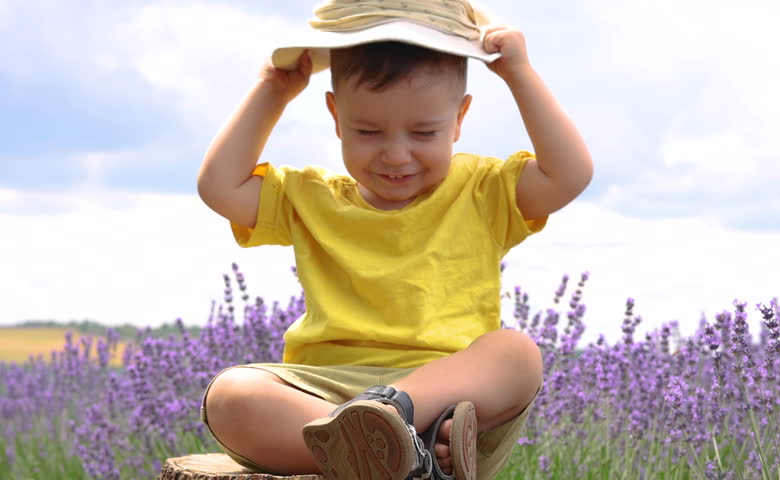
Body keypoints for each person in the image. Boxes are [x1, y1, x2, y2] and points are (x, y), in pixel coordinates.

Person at [197, 1, 593, 479]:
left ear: (460, 119)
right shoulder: (310, 197)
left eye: (425, 132)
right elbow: (219, 186)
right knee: (230, 395)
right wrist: (273, 89)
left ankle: (397, 429)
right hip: (326, 390)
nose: (396, 154)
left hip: (448, 389)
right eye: (368, 131)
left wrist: (518, 74)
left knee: (517, 354)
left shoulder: (482, 191)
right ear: (335, 116)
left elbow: (570, 173)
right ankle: (397, 455)